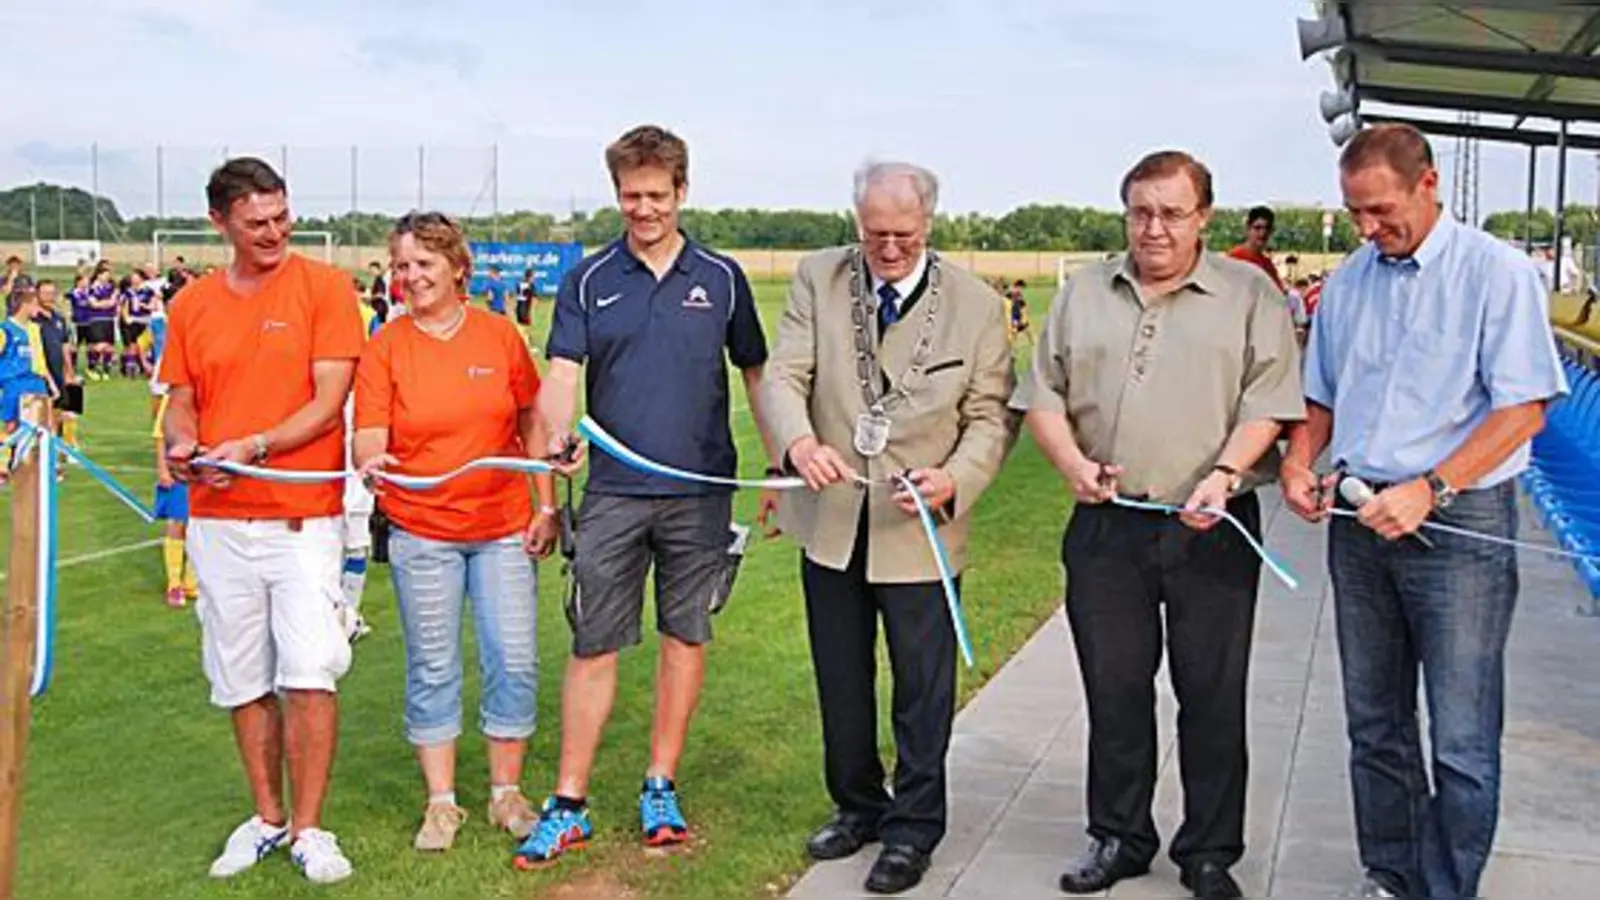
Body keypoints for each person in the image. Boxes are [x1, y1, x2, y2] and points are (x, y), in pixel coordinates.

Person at [1280, 123, 1568, 900]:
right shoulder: (1348, 282)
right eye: (1355, 214)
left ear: (1429, 184)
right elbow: (1322, 396)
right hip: (1359, 523)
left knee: (1463, 738)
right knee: (1375, 727)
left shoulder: (1496, 273)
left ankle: (1447, 888)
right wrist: (1302, 458)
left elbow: (1525, 410)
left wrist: (1431, 488)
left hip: (1458, 524)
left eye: (1380, 210)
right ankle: (1393, 877)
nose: (1368, 229)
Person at [1013, 150, 1305, 899]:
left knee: (1210, 695)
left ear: (1204, 216)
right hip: (1107, 526)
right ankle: (1118, 835)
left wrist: (1225, 474)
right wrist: (1072, 465)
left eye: (1173, 213)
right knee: (1115, 691)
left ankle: (1208, 851)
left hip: (1211, 525)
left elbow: (1270, 404)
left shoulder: (1249, 294)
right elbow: (1042, 398)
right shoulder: (1084, 292)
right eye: (1141, 211)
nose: (1155, 229)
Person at [516, 124, 779, 868]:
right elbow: (562, 377)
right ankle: (569, 802)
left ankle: (659, 784)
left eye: (657, 195)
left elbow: (758, 378)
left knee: (684, 637)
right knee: (593, 642)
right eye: (631, 196)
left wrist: (780, 470)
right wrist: (557, 441)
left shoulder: (722, 278)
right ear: (617, 194)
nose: (644, 209)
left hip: (700, 494)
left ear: (682, 192)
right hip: (613, 496)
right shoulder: (589, 279)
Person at [761, 160, 1017, 895]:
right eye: (875, 234)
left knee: (922, 690)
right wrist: (798, 444)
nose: (890, 248)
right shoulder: (819, 277)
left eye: (904, 234)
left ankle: (912, 830)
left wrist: (955, 481)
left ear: (929, 224)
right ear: (856, 222)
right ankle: (857, 807)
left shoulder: (973, 303)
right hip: (833, 522)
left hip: (922, 531)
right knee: (841, 681)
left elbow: (990, 414)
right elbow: (785, 376)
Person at [160, 157, 365, 885]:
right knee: (241, 678)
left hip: (302, 521)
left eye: (282, 218)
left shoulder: (326, 288)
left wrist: (252, 446)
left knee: (310, 674)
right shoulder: (191, 305)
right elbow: (181, 397)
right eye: (257, 224)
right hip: (218, 524)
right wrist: (182, 446)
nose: (275, 233)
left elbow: (327, 399)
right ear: (221, 223)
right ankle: (268, 818)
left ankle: (312, 828)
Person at [354, 211, 559, 853]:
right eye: (402, 265)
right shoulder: (386, 345)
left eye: (423, 264)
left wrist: (544, 504)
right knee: (434, 664)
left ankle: (506, 794)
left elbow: (532, 425)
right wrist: (370, 460)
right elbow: (370, 431)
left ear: (457, 269)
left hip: (501, 529)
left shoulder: (499, 338)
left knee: (514, 658)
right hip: (423, 533)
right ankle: (441, 804)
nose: (410, 277)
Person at [148, 292, 199, 608]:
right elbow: (159, 436)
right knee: (177, 522)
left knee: (198, 526)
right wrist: (163, 469)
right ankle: (174, 582)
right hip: (177, 469)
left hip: (200, 470)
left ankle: (193, 581)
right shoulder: (177, 396)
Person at [1227, 205, 1287, 293]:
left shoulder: (1268, 265)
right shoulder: (1235, 258)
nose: (1262, 233)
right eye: (1257, 228)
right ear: (1248, 229)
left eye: (1267, 228)